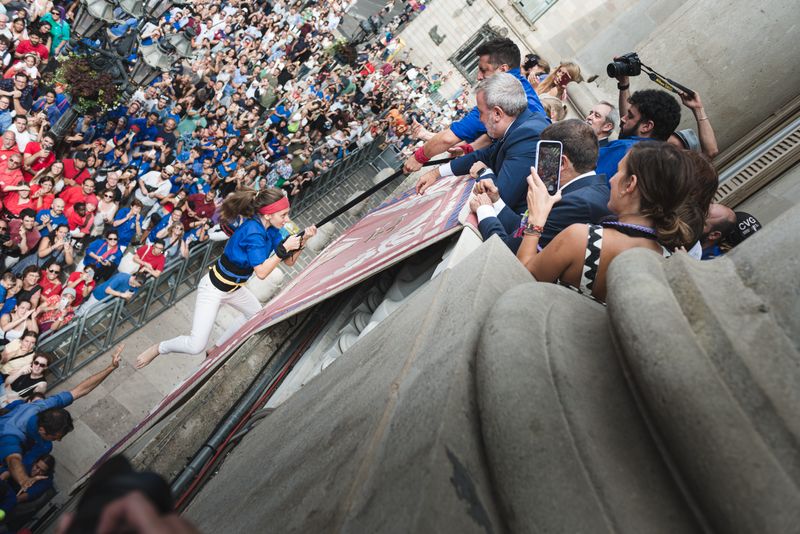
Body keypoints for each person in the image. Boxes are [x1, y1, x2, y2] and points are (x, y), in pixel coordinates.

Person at [135, 188, 317, 368]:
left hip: (234, 289)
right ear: (268, 215)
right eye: (283, 215)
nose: (287, 219)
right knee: (195, 346)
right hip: (213, 289)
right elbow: (261, 272)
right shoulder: (253, 231)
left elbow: (290, 261)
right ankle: (159, 348)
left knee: (255, 316)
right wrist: (284, 249)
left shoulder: (272, 230)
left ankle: (216, 348)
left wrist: (304, 240)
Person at [516, 142, 702, 303]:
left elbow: (523, 282)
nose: (611, 179)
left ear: (630, 184)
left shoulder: (582, 239)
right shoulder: (669, 265)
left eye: (619, 171)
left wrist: (536, 219)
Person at [403, 37, 546, 173]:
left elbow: (448, 138)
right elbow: (492, 137)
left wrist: (418, 157)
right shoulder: (524, 88)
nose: (478, 76)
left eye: (484, 70)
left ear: (502, 69)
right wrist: (469, 149)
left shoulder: (500, 96)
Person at [415, 72, 550, 215]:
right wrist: (436, 173)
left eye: (480, 112)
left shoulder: (528, 136)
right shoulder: (521, 124)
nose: (480, 119)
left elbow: (499, 199)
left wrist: (484, 172)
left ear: (497, 113)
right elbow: (485, 155)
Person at [471, 119, 611, 252]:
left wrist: (484, 210)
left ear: (561, 163)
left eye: (541, 158)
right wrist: (496, 201)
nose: (537, 165)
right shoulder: (587, 191)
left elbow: (507, 250)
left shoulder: (575, 204)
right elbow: (522, 231)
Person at [0, 346, 122, 492]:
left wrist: (111, 368)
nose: (58, 440)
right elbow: (13, 459)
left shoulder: (45, 405)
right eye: (56, 437)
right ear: (42, 430)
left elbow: (80, 390)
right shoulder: (12, 433)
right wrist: (24, 480)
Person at [77, 272, 145, 316]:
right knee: (85, 309)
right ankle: (73, 322)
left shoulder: (136, 286)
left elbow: (129, 297)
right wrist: (122, 295)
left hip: (107, 301)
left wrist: (127, 297)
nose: (134, 286)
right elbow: (107, 290)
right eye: (134, 284)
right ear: (133, 277)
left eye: (136, 286)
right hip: (99, 295)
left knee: (91, 314)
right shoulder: (121, 278)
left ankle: (78, 328)